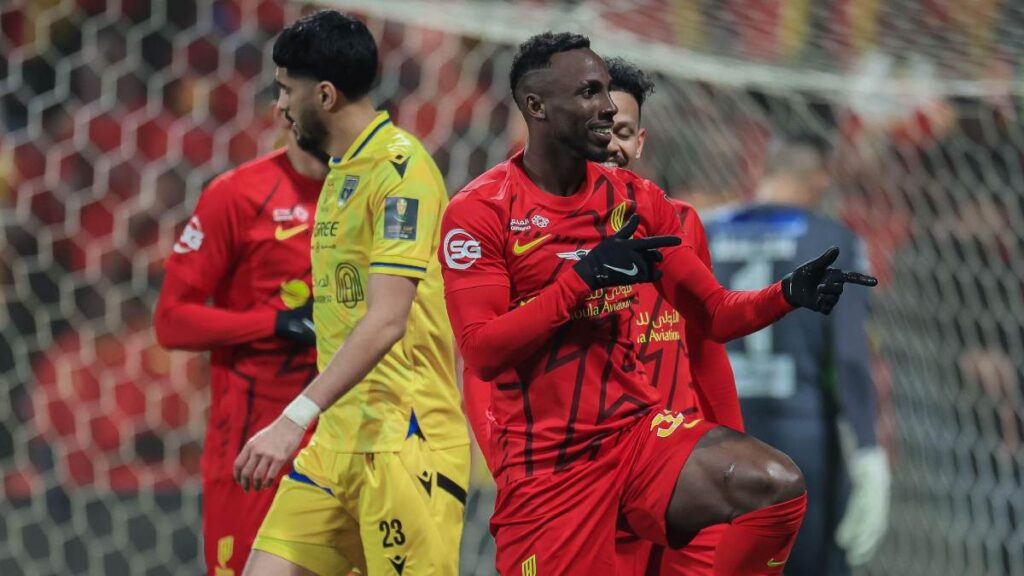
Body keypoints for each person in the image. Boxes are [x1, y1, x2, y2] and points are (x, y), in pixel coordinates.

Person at [439, 32, 876, 575]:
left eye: (611, 101)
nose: (605, 105)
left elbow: (712, 316)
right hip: (551, 466)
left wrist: (785, 295)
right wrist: (582, 280)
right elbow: (481, 353)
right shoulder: (480, 211)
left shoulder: (640, 204)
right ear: (537, 107)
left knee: (775, 485)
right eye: (590, 93)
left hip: (641, 440)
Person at [232, 11, 469, 576]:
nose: (280, 106)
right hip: (336, 440)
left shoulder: (401, 172)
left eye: (287, 90)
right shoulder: (343, 170)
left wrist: (292, 418)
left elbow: (388, 320)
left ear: (327, 94)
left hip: (402, 444)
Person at [704, 133, 890, 575]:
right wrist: (867, 451)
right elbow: (848, 355)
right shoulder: (830, 239)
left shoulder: (705, 231)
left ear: (763, 173)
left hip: (713, 442)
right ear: (819, 182)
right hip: (801, 444)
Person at [153, 104, 326, 574]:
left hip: (341, 444)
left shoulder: (375, 195)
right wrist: (272, 324)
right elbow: (171, 321)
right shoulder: (238, 194)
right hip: (253, 447)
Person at [601, 58, 739, 576]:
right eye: (600, 128)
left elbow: (706, 348)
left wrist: (731, 453)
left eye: (624, 131)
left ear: (640, 141)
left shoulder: (683, 223)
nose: (612, 144)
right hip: (600, 472)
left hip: (685, 466)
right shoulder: (539, 235)